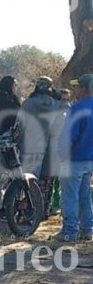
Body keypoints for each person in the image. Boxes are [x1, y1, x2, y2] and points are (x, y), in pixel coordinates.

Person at [54, 74, 93, 242]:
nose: (74, 90)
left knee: (69, 196)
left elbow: (70, 136)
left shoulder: (77, 109)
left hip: (73, 159)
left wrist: (61, 154)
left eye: (77, 86)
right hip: (89, 160)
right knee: (85, 195)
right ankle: (87, 229)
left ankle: (69, 230)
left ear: (84, 89)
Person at [15, 76, 61, 178]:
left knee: (22, 180)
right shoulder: (56, 105)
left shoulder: (28, 103)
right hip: (44, 148)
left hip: (26, 146)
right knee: (35, 180)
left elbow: (19, 125)